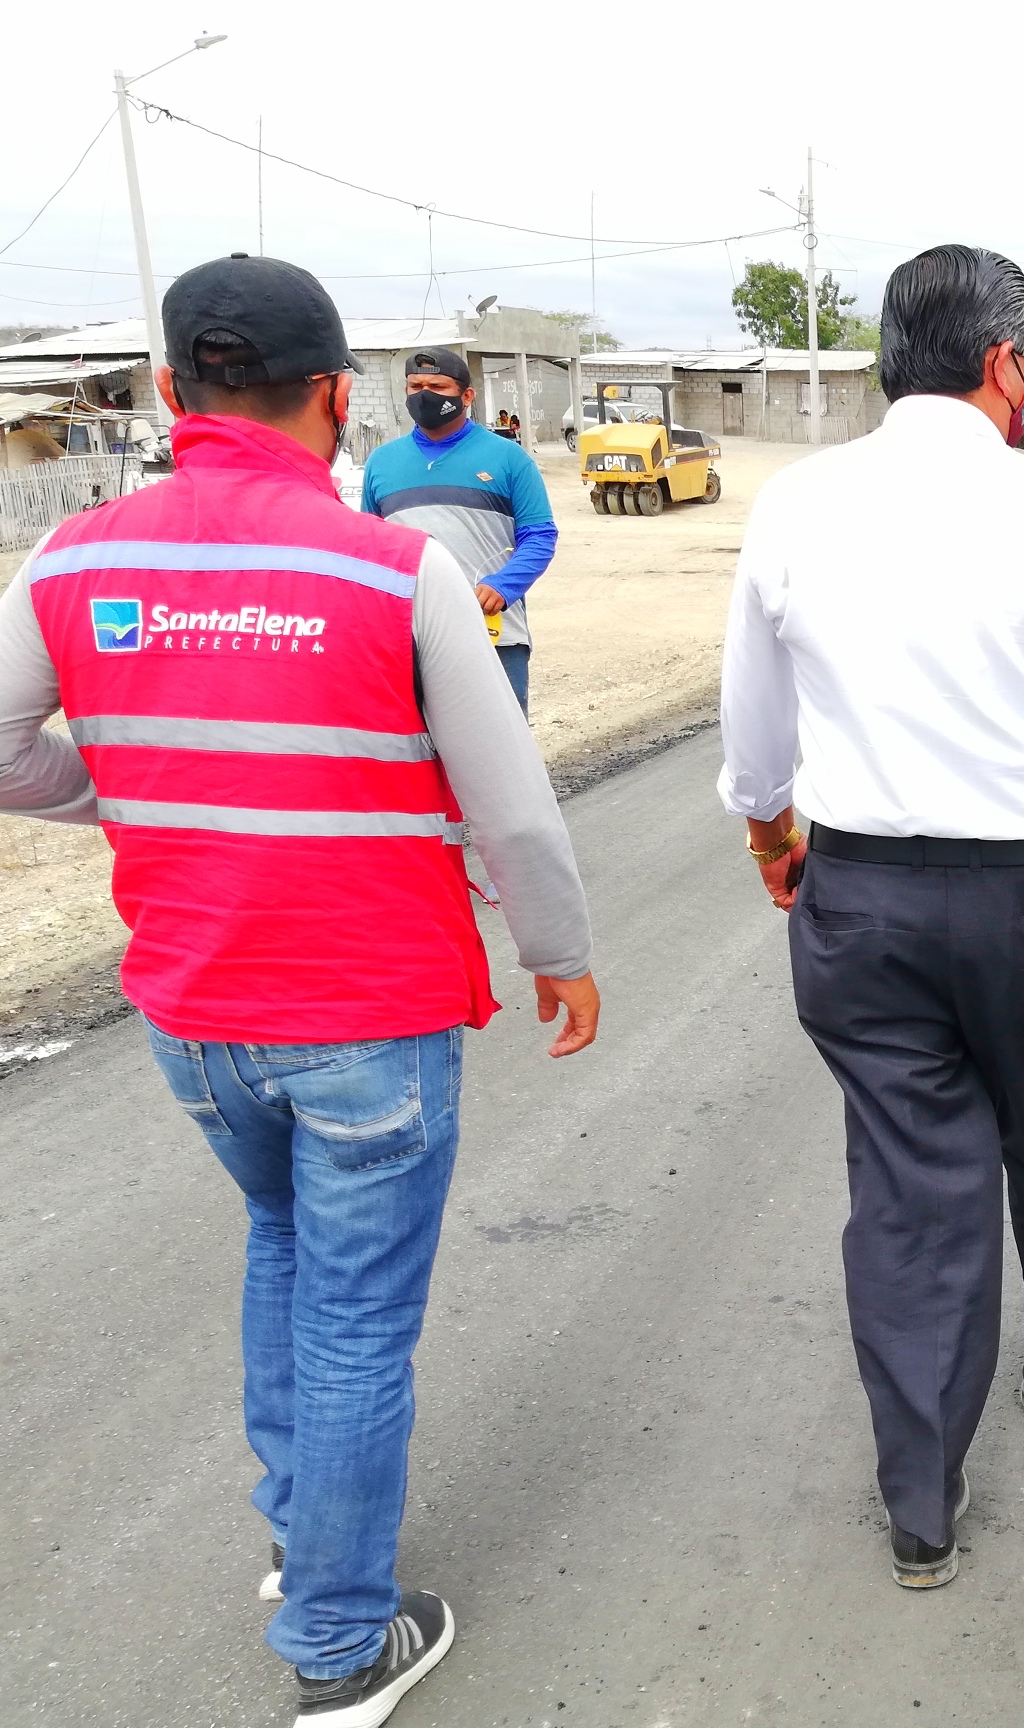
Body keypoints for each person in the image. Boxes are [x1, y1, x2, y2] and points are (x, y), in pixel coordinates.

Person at [0, 253, 600, 1726]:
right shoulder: (397, 569)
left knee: (283, 1245)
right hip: (368, 1017)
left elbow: (6, 748)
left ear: (168, 390)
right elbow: (511, 809)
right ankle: (339, 1639)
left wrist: (139, 788)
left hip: (196, 1018)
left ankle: (299, 1537)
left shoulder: (70, 558)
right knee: (356, 1321)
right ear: (338, 397)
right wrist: (560, 955)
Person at [719, 243, 1024, 1592]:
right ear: (1002, 364)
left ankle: (922, 1500)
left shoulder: (798, 505)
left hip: (860, 896)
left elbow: (754, 719)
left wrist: (771, 835)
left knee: (912, 1181)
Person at [361, 348, 558, 714]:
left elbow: (540, 535)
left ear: (467, 396)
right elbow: (369, 545)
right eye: (415, 386)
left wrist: (504, 585)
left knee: (497, 741)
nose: (424, 395)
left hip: (492, 634)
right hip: (406, 637)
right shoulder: (381, 463)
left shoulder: (509, 458)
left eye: (437, 386)